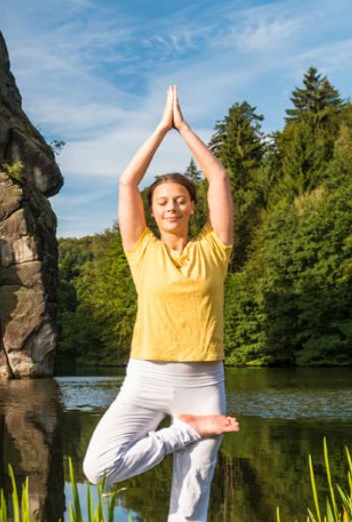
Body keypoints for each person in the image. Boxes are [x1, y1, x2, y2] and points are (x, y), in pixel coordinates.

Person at [81, 84, 241, 522]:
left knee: (191, 504)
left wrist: (184, 127)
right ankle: (184, 431)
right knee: (98, 469)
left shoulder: (215, 248)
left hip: (204, 380)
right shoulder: (141, 249)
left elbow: (220, 179)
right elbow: (126, 181)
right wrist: (161, 127)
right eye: (162, 202)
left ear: (193, 207)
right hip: (146, 376)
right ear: (151, 211)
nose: (171, 207)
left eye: (180, 201)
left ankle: (190, 428)